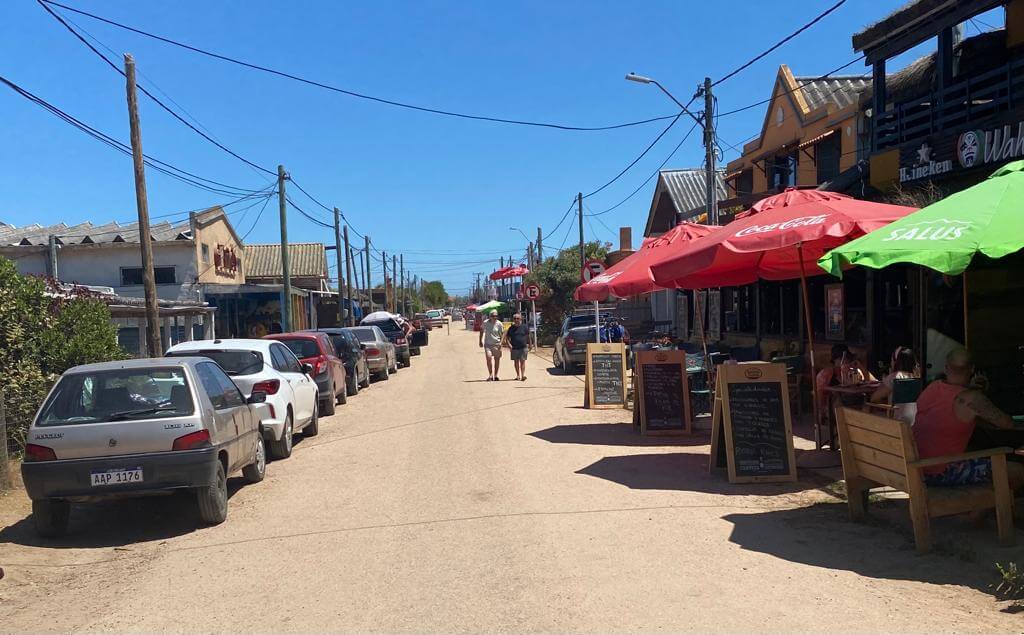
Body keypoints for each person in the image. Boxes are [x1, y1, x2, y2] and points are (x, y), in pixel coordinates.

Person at [912, 347, 1023, 489]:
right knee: (1017, 471)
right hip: (940, 472)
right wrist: (979, 394)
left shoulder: (932, 388)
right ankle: (977, 511)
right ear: (972, 369)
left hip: (918, 468)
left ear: (946, 368)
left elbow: (944, 412)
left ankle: (976, 510)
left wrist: (973, 390)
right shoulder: (972, 398)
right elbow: (1006, 423)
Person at [870, 346, 921, 424]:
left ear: (896, 361)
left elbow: (874, 398)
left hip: (897, 421)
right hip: (914, 420)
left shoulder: (895, 376)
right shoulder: (917, 377)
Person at [501, 312, 532, 381]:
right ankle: (518, 375)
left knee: (522, 361)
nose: (516, 319)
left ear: (520, 319)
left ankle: (523, 375)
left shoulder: (524, 327)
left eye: (517, 318)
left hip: (523, 347)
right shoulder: (511, 328)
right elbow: (507, 338)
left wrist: (530, 344)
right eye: (514, 318)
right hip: (514, 348)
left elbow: (528, 336)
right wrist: (509, 345)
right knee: (516, 362)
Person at [478, 310, 504, 381]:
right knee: (489, 358)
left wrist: (501, 343)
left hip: (497, 344)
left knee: (497, 360)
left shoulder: (499, 324)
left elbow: (502, 334)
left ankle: (495, 375)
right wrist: (480, 341)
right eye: (493, 316)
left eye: (496, 316)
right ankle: (490, 374)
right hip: (488, 344)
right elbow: (481, 331)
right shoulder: (485, 322)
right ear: (490, 316)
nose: (495, 317)